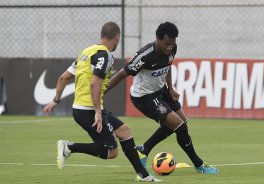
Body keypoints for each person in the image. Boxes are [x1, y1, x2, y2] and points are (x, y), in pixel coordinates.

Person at [42, 21, 160, 182]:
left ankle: (143, 175)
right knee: (111, 152)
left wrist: (55, 100)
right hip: (89, 110)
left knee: (124, 131)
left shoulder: (87, 52)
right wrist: (97, 112)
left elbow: (64, 77)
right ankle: (69, 147)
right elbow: (94, 83)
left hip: (83, 108)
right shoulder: (105, 55)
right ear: (117, 36)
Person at [106, 22, 219, 174]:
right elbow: (121, 75)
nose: (169, 48)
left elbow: (168, 66)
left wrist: (171, 89)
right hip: (144, 97)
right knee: (180, 127)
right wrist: (101, 93)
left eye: (172, 44)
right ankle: (199, 164)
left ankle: (143, 150)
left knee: (182, 122)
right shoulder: (145, 55)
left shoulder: (172, 48)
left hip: (161, 91)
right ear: (157, 39)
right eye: (166, 44)